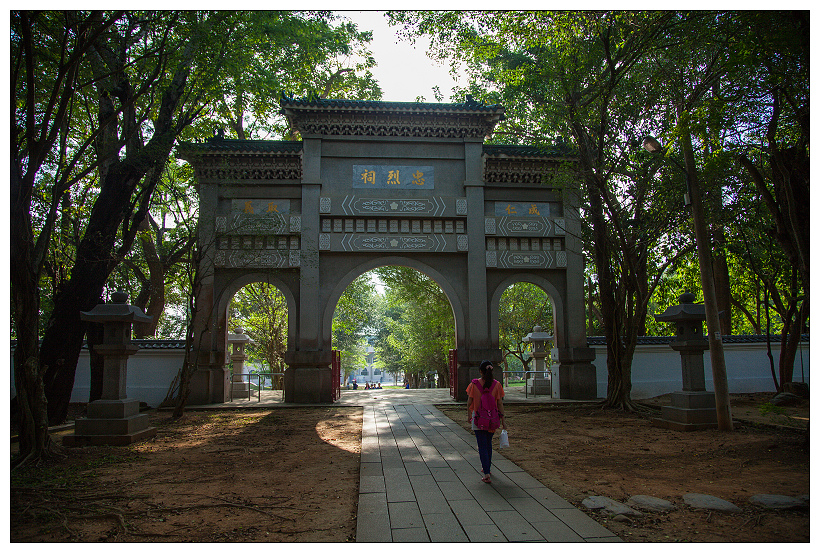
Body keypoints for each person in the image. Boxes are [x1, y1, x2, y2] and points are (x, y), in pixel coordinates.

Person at [466, 360, 507, 483]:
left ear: (480, 371)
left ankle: (486, 472)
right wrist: (503, 420)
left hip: (478, 418)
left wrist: (469, 415)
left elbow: (469, 402)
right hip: (492, 419)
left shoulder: (474, 384)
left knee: (482, 445)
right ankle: (487, 467)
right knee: (488, 444)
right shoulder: (497, 385)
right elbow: (500, 403)